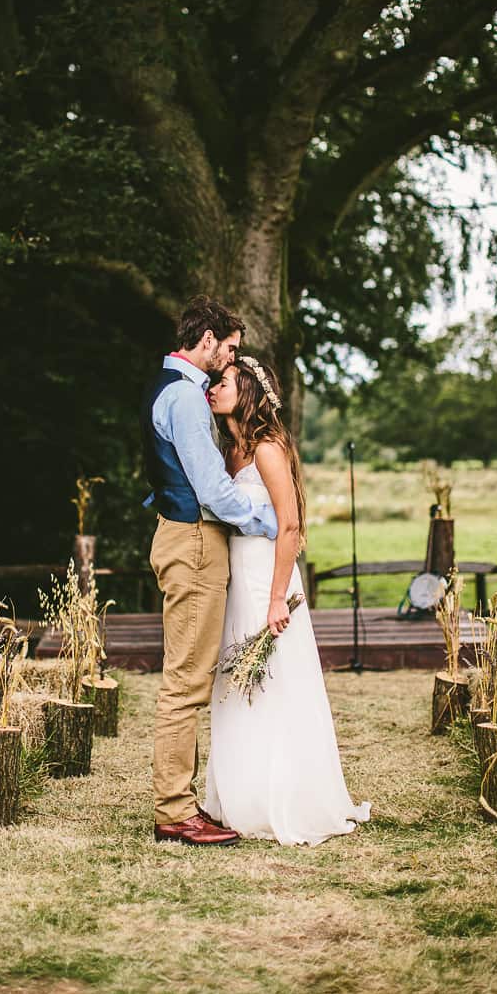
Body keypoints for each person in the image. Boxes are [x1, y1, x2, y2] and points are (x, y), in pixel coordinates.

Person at [204, 355, 371, 845]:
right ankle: (239, 796)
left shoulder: (268, 449)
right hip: (239, 579)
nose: (214, 388)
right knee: (237, 684)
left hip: (268, 581)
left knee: (274, 685)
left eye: (224, 382)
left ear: (249, 391)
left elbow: (291, 526)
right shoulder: (228, 449)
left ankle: (283, 798)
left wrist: (278, 598)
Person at [142, 295, 278, 847]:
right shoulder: (187, 398)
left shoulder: (166, 388)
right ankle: (174, 811)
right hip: (195, 541)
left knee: (187, 676)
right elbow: (213, 490)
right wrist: (267, 519)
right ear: (207, 341)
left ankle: (181, 801)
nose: (232, 358)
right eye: (230, 347)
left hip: (181, 536)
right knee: (186, 682)